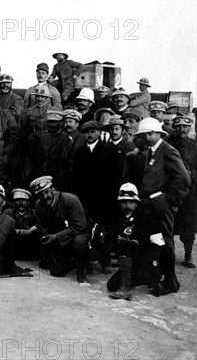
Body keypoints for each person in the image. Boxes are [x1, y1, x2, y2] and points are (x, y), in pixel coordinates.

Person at [132, 117, 191, 295]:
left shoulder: (168, 151)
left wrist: (167, 200)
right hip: (150, 206)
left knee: (165, 242)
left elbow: (184, 180)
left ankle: (171, 282)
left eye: (151, 133)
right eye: (145, 134)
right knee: (153, 241)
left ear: (159, 133)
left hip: (162, 207)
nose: (148, 137)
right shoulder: (151, 150)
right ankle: (153, 276)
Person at [73, 120, 123, 271]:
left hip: (104, 199)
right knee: (86, 229)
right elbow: (75, 177)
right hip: (84, 199)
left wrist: (111, 198)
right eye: (87, 132)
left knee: (104, 231)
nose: (90, 135)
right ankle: (86, 260)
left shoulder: (110, 151)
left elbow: (115, 178)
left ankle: (105, 260)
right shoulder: (80, 152)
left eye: (93, 132)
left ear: (99, 133)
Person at [31, 176, 92, 284]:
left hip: (81, 232)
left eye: (46, 192)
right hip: (61, 238)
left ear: (53, 189)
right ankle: (73, 262)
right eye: (40, 194)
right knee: (57, 271)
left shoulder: (70, 199)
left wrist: (56, 236)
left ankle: (81, 273)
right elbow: (43, 229)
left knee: (79, 241)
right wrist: (49, 245)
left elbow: (80, 225)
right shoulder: (39, 206)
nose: (45, 197)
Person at [107, 183, 161, 300]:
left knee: (127, 244)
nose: (127, 205)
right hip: (130, 262)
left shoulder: (147, 217)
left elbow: (158, 247)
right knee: (111, 286)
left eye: (131, 202)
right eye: (123, 202)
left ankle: (127, 287)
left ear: (136, 203)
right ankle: (133, 281)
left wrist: (154, 269)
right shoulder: (118, 219)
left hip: (146, 261)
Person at [170, 114, 197, 268]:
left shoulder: (196, 148)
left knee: (189, 226)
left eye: (185, 127)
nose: (182, 130)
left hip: (190, 192)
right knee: (169, 223)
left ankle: (188, 255)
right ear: (174, 128)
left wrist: (191, 174)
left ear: (190, 128)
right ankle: (170, 253)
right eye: (179, 127)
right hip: (172, 190)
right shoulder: (168, 145)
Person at [4, 188, 39, 260]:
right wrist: (13, 230)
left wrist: (31, 230)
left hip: (30, 249)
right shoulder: (8, 212)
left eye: (24, 200)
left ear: (28, 202)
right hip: (13, 249)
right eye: (17, 200)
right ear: (13, 202)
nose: (20, 203)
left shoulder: (34, 212)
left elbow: (40, 224)